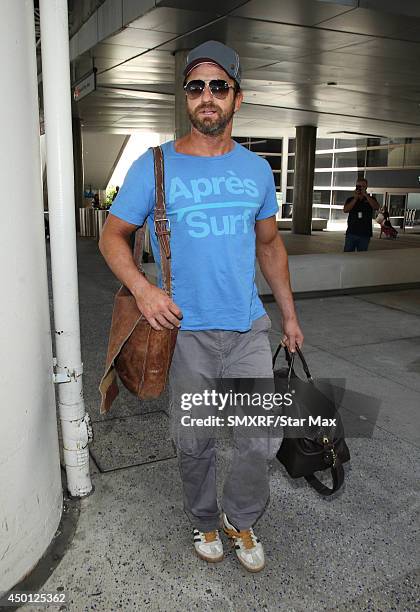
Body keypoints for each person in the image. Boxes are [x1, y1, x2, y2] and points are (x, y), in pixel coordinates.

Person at [99, 40, 303, 573]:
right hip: (183, 333)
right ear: (185, 97)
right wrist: (144, 290)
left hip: (246, 329)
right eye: (196, 87)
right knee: (194, 441)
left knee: (261, 439)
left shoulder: (258, 170)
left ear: (238, 98)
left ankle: (241, 519)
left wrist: (289, 315)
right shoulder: (155, 166)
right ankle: (205, 517)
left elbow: (269, 245)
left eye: (219, 86)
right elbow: (112, 236)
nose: (207, 96)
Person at [343, 178, 379, 251]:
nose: (360, 188)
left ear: (366, 187)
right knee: (348, 255)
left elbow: (376, 207)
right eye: (358, 186)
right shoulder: (350, 199)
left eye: (362, 186)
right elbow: (345, 210)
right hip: (351, 232)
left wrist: (366, 196)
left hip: (365, 233)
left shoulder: (371, 199)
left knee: (362, 255)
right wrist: (355, 199)